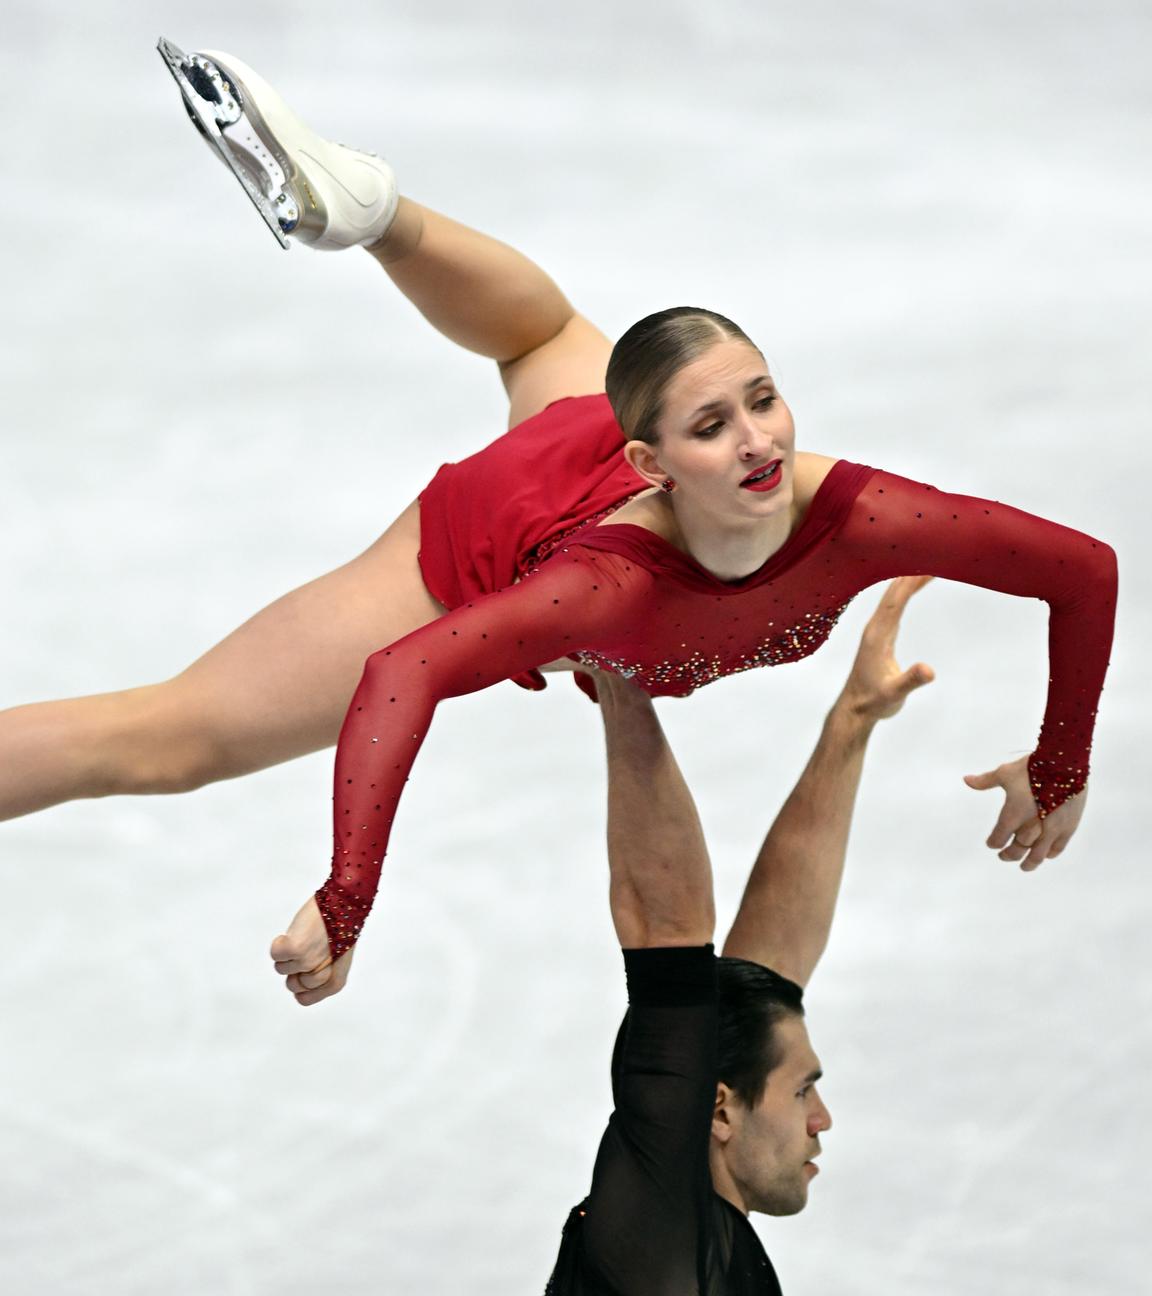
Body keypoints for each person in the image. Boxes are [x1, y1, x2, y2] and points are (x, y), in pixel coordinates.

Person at [0, 45, 1117, 1004]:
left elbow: (1084, 569)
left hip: (605, 428)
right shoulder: (601, 591)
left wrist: (1061, 765)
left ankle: (371, 211)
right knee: (166, 741)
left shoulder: (860, 513)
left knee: (546, 350)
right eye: (717, 425)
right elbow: (404, 669)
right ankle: (382, 222)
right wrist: (347, 898)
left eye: (765, 399)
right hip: (503, 529)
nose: (762, 444)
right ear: (656, 463)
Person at [547, 576, 934, 1293]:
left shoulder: (687, 1231)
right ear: (718, 1108)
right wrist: (615, 668)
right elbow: (665, 927)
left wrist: (852, 721)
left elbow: (771, 967)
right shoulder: (656, 1239)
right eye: (801, 1093)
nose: (822, 1120)